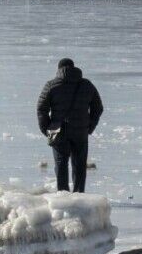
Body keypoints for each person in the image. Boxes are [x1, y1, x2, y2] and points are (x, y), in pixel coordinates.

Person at [36, 58, 104, 193]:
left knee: (61, 165)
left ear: (59, 69)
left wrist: (48, 130)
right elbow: (98, 108)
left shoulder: (51, 85)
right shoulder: (87, 85)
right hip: (80, 132)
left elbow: (41, 109)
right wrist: (89, 127)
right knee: (79, 166)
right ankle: (79, 195)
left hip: (58, 131)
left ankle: (63, 196)